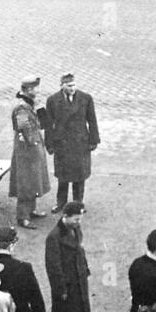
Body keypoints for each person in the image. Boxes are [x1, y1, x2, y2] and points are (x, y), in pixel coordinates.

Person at [41, 72, 100, 212]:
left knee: (80, 176)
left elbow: (92, 120)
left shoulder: (86, 98)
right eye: (69, 85)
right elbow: (49, 125)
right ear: (62, 86)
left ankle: (78, 204)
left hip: (80, 143)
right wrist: (49, 144)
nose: (72, 88)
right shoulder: (52, 100)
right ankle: (61, 203)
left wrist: (94, 140)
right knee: (63, 176)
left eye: (74, 85)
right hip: (62, 143)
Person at [44, 201, 93, 312]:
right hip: (65, 283)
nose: (79, 222)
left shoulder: (75, 228)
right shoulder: (54, 237)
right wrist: (61, 289)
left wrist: (85, 268)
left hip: (78, 278)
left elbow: (80, 249)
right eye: (76, 219)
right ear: (65, 217)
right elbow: (53, 267)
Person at [9, 74, 50, 229]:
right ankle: (22, 216)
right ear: (26, 90)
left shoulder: (29, 103)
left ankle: (31, 210)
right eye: (33, 89)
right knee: (26, 182)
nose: (36, 91)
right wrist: (33, 142)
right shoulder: (21, 107)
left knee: (34, 180)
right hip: (26, 150)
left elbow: (43, 123)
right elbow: (23, 126)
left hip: (32, 147)